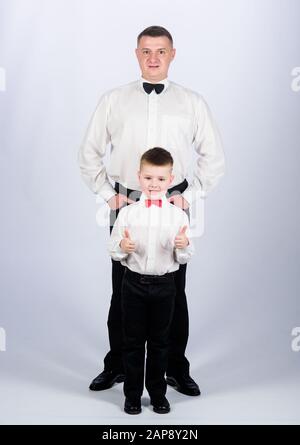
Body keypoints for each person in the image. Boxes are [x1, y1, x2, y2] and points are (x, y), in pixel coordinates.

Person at [78, 25, 225, 397]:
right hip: (126, 201)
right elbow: (89, 153)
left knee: (174, 290)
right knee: (121, 290)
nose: (153, 58)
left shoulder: (192, 102)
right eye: (146, 51)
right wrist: (107, 194)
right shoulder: (113, 99)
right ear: (136, 54)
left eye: (161, 51)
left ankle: (175, 367)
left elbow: (214, 158)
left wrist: (190, 197)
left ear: (172, 54)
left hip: (173, 203)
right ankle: (118, 366)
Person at [109, 147, 194, 414]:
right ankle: (132, 395)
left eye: (160, 179)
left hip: (165, 286)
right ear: (139, 177)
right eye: (148, 178)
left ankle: (158, 394)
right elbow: (113, 250)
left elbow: (185, 256)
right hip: (132, 283)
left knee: (160, 343)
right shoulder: (127, 213)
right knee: (133, 342)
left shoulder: (178, 216)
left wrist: (182, 245)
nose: (153, 184)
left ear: (170, 180)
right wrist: (122, 245)